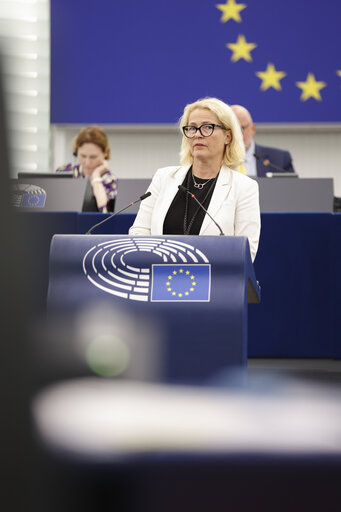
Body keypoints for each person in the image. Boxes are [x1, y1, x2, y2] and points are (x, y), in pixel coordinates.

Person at [129, 97, 260, 261]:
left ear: (228, 136)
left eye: (207, 127)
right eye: (192, 128)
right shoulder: (164, 178)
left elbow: (247, 251)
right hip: (160, 278)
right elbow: (139, 232)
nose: (197, 134)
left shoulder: (244, 187)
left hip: (214, 282)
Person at [56, 125, 118, 212]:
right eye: (83, 156)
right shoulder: (65, 172)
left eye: (93, 157)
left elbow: (104, 212)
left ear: (105, 153)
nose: (87, 162)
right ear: (76, 152)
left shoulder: (110, 181)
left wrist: (96, 176)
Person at [231, 105, 296, 177]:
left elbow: (292, 187)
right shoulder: (216, 161)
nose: (236, 134)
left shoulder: (280, 160)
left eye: (241, 128)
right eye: (230, 129)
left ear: (253, 128)